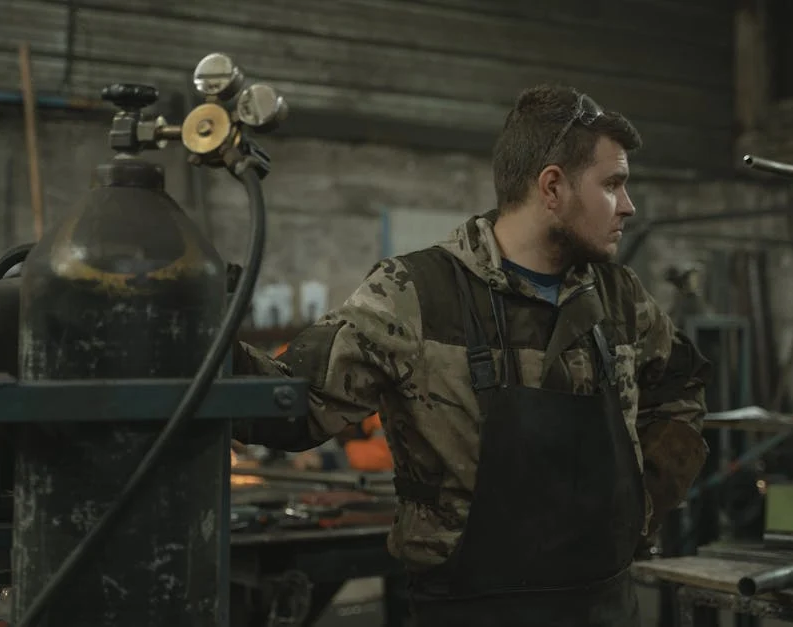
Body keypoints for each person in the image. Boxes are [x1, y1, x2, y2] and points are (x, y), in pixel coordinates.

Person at [232, 84, 711, 627]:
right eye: (613, 184)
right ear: (552, 186)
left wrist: (638, 511)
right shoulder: (417, 295)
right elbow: (292, 402)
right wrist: (196, 336)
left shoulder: (619, 298)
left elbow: (681, 386)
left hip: (604, 605)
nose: (628, 205)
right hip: (469, 610)